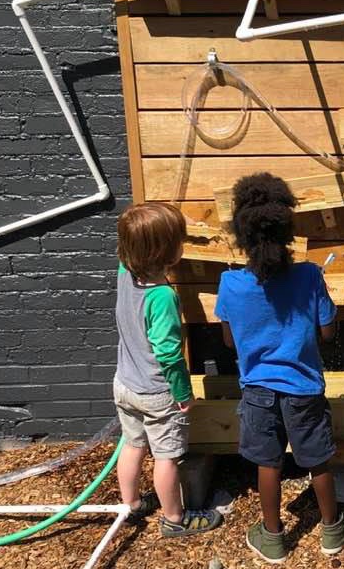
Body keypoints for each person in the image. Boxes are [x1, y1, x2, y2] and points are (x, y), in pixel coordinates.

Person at [216, 173, 344, 564]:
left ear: (241, 234)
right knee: (317, 459)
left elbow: (229, 342)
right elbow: (327, 333)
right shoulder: (310, 275)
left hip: (257, 392)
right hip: (304, 389)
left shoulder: (229, 283)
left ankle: (274, 538)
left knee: (269, 462)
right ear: (287, 229)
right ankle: (333, 531)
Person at [113, 202, 223, 537]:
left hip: (124, 384)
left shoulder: (123, 270)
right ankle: (175, 520)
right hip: (157, 393)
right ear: (166, 252)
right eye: (179, 240)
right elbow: (169, 354)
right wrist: (182, 392)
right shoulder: (162, 297)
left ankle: (131, 505)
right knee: (166, 457)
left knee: (132, 445)